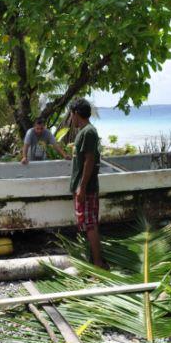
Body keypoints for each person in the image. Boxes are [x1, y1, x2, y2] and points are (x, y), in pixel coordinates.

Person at [69, 98, 108, 269]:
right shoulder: (84, 132)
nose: (71, 120)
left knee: (90, 225)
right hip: (81, 186)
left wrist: (82, 187)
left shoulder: (88, 132)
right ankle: (93, 259)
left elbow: (89, 161)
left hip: (87, 188)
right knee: (85, 224)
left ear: (76, 114)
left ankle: (98, 263)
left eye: (71, 115)